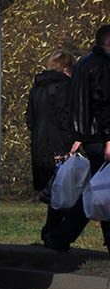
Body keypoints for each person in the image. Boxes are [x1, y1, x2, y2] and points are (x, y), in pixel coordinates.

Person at [50, 24, 110, 252]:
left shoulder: (85, 63)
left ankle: (61, 235)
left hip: (89, 136)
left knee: (102, 190)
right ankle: (61, 236)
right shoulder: (101, 66)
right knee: (98, 191)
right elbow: (103, 105)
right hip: (100, 138)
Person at [28, 50, 75, 249]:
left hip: (40, 147)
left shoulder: (36, 88)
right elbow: (66, 119)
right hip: (60, 147)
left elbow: (29, 120)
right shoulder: (64, 87)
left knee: (56, 192)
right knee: (64, 192)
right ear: (66, 69)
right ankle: (54, 234)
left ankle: (51, 232)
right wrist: (72, 142)